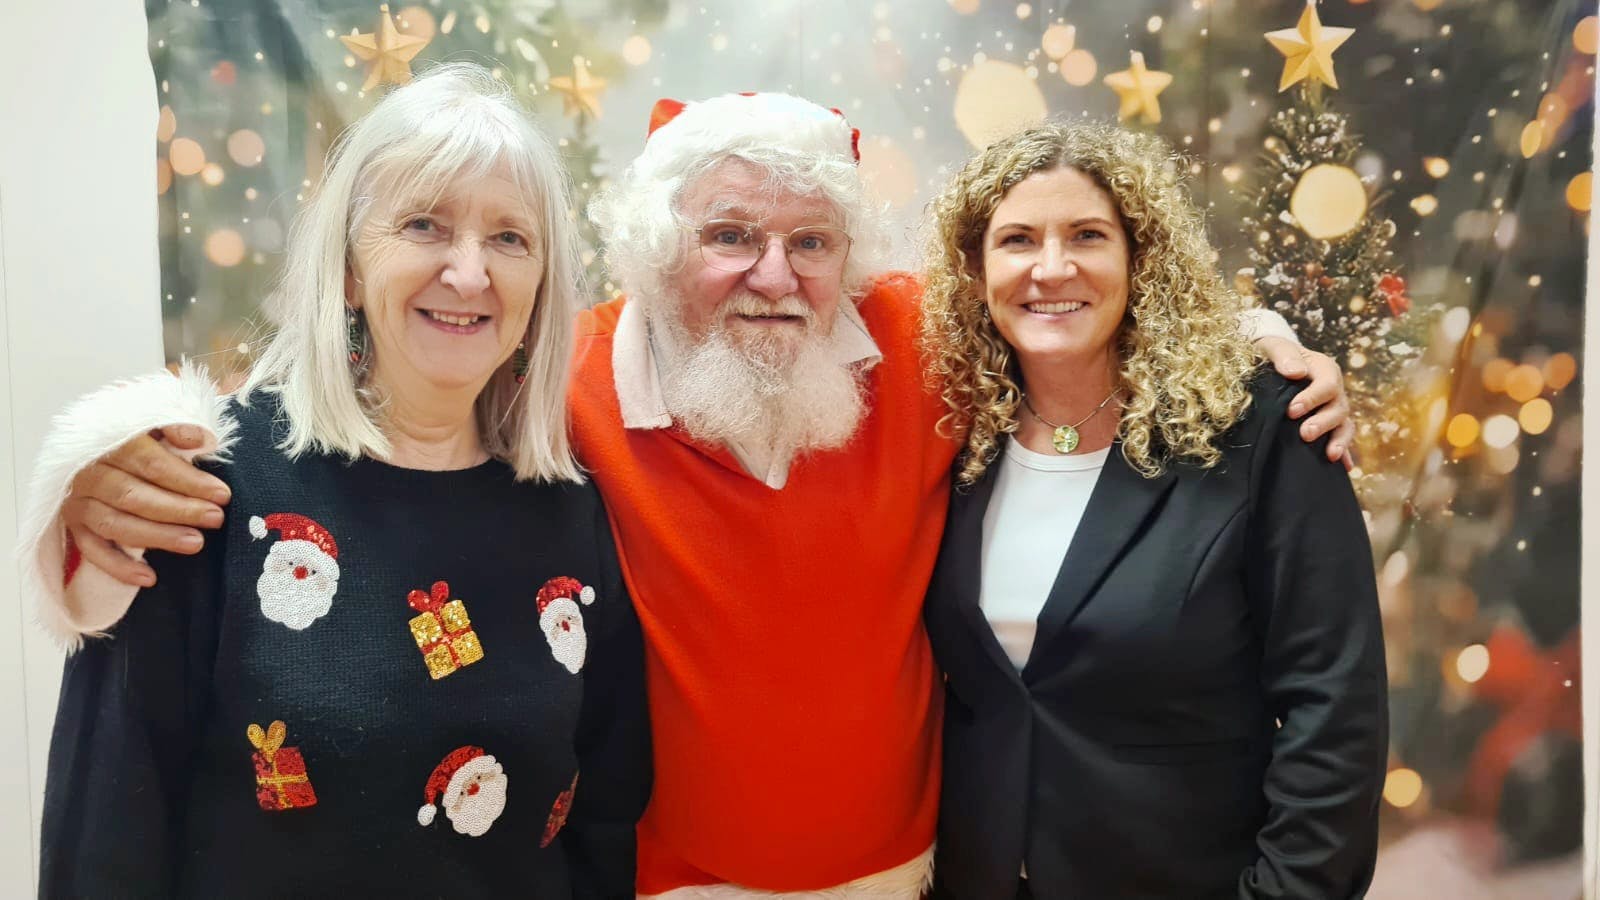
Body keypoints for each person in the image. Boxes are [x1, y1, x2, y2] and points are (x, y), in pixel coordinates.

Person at [23, 92, 1353, 897]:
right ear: (660, 253)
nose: (775, 274)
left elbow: (1066, 303)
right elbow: (344, 402)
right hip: (659, 888)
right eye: (729, 237)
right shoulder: (566, 387)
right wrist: (113, 453)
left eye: (811, 241)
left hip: (902, 883)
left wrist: (1266, 340)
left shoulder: (920, 347)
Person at [26, 64, 648, 899]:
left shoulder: (569, 509)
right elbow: (105, 828)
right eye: (425, 225)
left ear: (541, 289)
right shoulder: (204, 487)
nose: (469, 274)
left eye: (509, 238)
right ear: (350, 271)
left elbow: (601, 823)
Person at [918, 121, 1388, 899]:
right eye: (1018, 240)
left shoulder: (1262, 425)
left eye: (1089, 235)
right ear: (974, 271)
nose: (1052, 267)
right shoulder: (949, 430)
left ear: (1141, 260)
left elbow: (1334, 707)